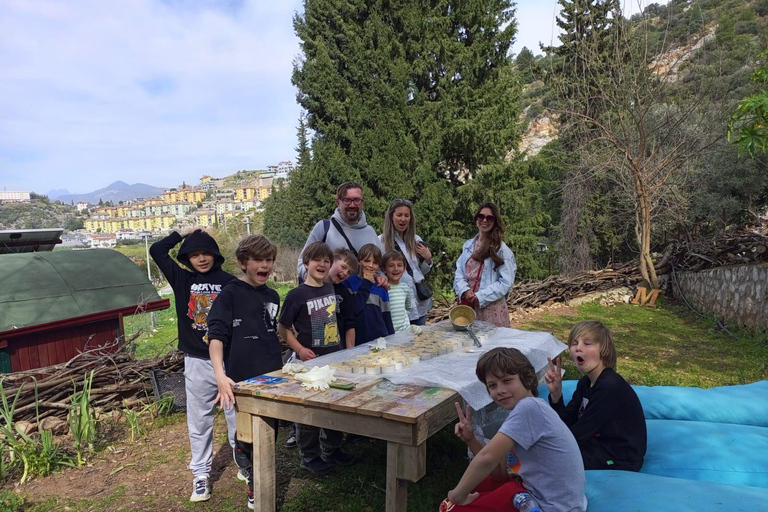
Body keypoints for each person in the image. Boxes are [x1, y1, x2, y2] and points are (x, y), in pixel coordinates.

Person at [149, 227, 239, 503]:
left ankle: (244, 460)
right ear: (187, 258)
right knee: (199, 419)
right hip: (197, 361)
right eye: (195, 254)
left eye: (206, 253)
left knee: (236, 413)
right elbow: (157, 251)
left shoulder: (230, 282)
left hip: (228, 359)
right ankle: (201, 475)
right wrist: (182, 233)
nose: (201, 259)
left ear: (215, 255)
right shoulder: (182, 279)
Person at [443, 348, 587, 512]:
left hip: (554, 506)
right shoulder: (522, 412)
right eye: (492, 385)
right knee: (485, 484)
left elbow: (487, 458)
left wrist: (457, 496)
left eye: (507, 381)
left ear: (526, 379)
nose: (500, 390)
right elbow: (498, 474)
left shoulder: (528, 408)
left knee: (452, 508)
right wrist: (471, 439)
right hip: (554, 499)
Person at [207, 235, 282, 510]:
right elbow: (215, 338)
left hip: (273, 377)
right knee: (247, 438)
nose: (265, 265)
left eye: (269, 260)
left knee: (270, 433)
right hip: (242, 381)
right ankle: (254, 485)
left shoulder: (272, 295)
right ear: (242, 263)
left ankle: (260, 474)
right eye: (258, 260)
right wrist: (220, 375)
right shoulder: (230, 294)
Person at [278, 242, 355, 474]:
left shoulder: (330, 289)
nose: (322, 265)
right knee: (309, 412)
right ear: (306, 264)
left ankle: (331, 448)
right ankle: (309, 456)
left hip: (333, 359)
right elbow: (283, 329)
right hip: (309, 364)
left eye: (326, 261)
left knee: (334, 407)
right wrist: (299, 349)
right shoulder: (296, 294)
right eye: (316, 260)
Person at [545, 320, 647, 471]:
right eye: (574, 343)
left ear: (604, 349)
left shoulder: (608, 387)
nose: (578, 348)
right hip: (598, 444)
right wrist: (556, 395)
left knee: (551, 455)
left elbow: (578, 434)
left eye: (587, 343)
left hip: (620, 458)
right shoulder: (585, 383)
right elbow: (567, 421)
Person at [297, 182, 384, 286]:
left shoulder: (370, 232)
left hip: (359, 298)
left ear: (362, 203)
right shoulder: (324, 228)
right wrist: (308, 276)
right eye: (347, 200)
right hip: (327, 296)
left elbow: (379, 268)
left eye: (357, 200)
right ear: (338, 202)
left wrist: (381, 278)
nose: (352, 205)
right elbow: (302, 261)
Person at [453, 202, 516, 328]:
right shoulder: (468, 246)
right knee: (469, 344)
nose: (484, 220)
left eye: (489, 218)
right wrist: (464, 290)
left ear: (495, 221)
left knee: (491, 344)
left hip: (491, 308)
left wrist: (481, 296)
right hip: (468, 305)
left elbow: (506, 282)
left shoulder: (501, 250)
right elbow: (459, 272)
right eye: (481, 216)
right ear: (476, 218)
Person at [380, 198, 433, 325]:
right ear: (391, 217)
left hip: (419, 301)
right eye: (399, 215)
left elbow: (421, 272)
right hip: (397, 303)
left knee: (419, 341)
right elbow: (378, 272)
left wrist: (428, 258)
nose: (403, 219)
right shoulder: (381, 242)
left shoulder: (416, 240)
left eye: (406, 215)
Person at [342, 243, 395, 345]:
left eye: (375, 263)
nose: (370, 265)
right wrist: (366, 284)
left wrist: (392, 339)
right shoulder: (348, 282)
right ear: (359, 261)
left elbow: (387, 317)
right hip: (358, 341)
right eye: (366, 261)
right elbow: (354, 310)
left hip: (380, 340)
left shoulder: (381, 286)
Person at [326, 248, 358, 349]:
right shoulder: (309, 288)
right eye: (343, 267)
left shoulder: (344, 294)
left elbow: (350, 325)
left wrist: (350, 352)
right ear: (331, 261)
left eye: (349, 272)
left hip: (337, 349)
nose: (345, 273)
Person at [381, 250, 413, 333]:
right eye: (391, 266)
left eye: (399, 265)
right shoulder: (382, 288)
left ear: (404, 268)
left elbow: (408, 308)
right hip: (389, 333)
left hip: (405, 331)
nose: (396, 269)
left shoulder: (405, 288)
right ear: (384, 269)